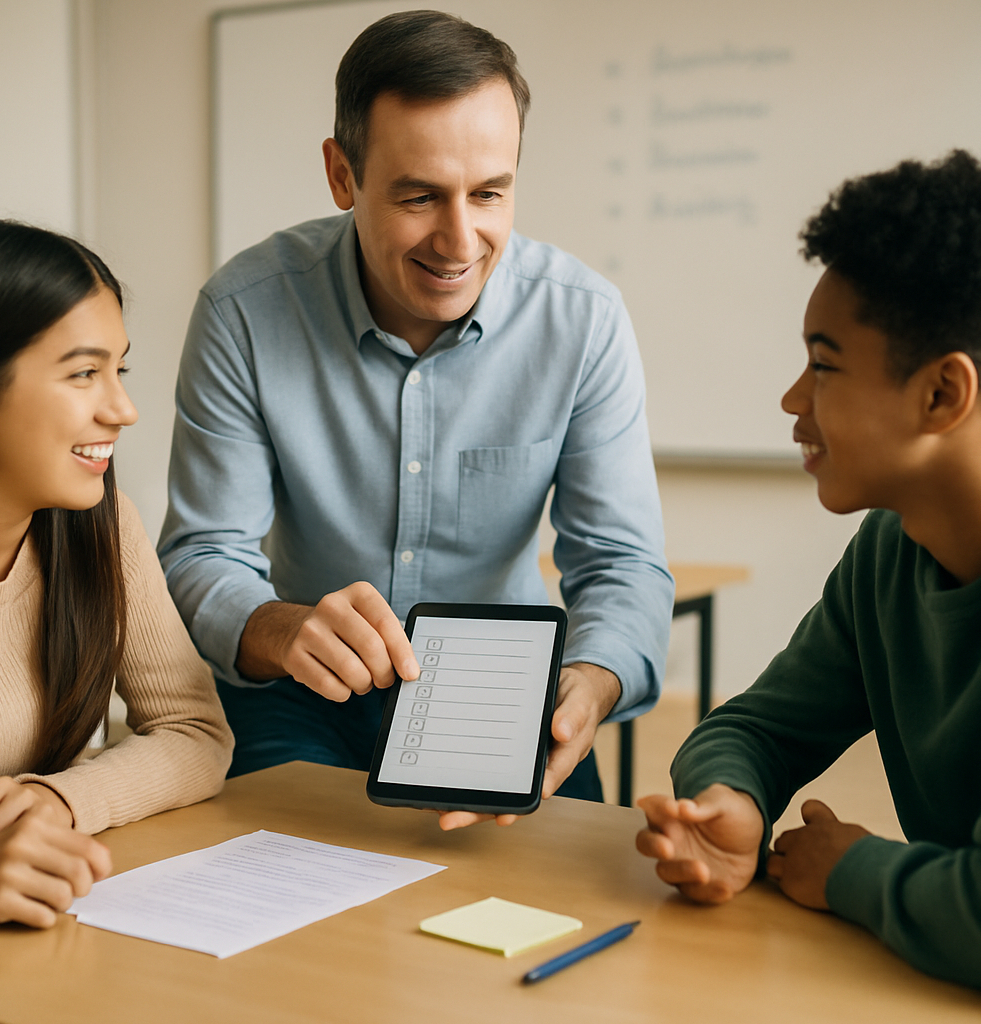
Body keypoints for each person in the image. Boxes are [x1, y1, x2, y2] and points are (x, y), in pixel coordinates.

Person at [159, 10, 673, 826]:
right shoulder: (244, 311)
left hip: (505, 698)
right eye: (420, 196)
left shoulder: (583, 320)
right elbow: (201, 553)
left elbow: (621, 562)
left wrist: (592, 679)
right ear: (342, 176)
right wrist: (280, 627)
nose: (460, 239)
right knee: (280, 916)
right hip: (303, 689)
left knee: (558, 906)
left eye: (490, 193)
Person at [634, 149, 981, 988]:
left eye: (823, 365)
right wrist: (732, 805)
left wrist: (850, 869)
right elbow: (754, 729)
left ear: (941, 395)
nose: (794, 399)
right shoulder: (890, 553)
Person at [0, 218, 233, 929]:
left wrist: (60, 800)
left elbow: (194, 733)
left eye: (120, 370)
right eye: (83, 373)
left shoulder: (100, 528)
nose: (123, 409)